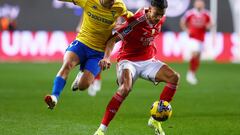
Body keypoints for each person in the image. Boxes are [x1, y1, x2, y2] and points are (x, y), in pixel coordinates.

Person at [94, 0, 180, 135]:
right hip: (128, 61)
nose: (158, 18)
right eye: (156, 14)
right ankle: (101, 130)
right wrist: (106, 57)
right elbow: (112, 40)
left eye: (161, 15)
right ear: (150, 9)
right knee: (125, 88)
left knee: (174, 77)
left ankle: (155, 120)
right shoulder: (135, 22)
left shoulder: (161, 18)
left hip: (148, 61)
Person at [44, 0, 133, 109]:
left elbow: (132, 19)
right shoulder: (88, 1)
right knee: (67, 64)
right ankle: (55, 97)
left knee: (82, 86)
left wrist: (123, 25)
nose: (112, 3)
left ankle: (81, 73)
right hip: (82, 43)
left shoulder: (119, 6)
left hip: (98, 52)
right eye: (110, 1)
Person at [180, 0, 212, 85]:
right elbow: (182, 22)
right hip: (192, 38)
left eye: (200, 3)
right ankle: (190, 74)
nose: (199, 4)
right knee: (195, 53)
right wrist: (187, 30)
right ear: (195, 4)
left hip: (201, 38)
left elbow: (211, 24)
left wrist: (208, 26)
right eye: (197, 3)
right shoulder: (190, 13)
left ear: (203, 4)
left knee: (198, 57)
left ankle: (192, 73)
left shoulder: (207, 14)